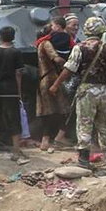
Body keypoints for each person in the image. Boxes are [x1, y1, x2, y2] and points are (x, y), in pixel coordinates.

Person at [50, 17, 106, 169]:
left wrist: (56, 84)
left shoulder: (80, 47)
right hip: (105, 90)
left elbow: (69, 69)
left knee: (84, 123)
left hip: (86, 90)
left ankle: (84, 159)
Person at [0, 26, 27, 162]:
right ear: (13, 37)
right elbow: (18, 74)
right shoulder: (16, 52)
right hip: (11, 91)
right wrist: (19, 92)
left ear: (0, 37)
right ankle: (15, 151)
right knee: (14, 120)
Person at [35, 18, 72, 152]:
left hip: (43, 79)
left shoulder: (40, 44)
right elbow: (56, 58)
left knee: (47, 111)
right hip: (52, 79)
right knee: (65, 109)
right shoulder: (46, 44)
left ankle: (45, 140)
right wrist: (69, 65)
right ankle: (58, 137)